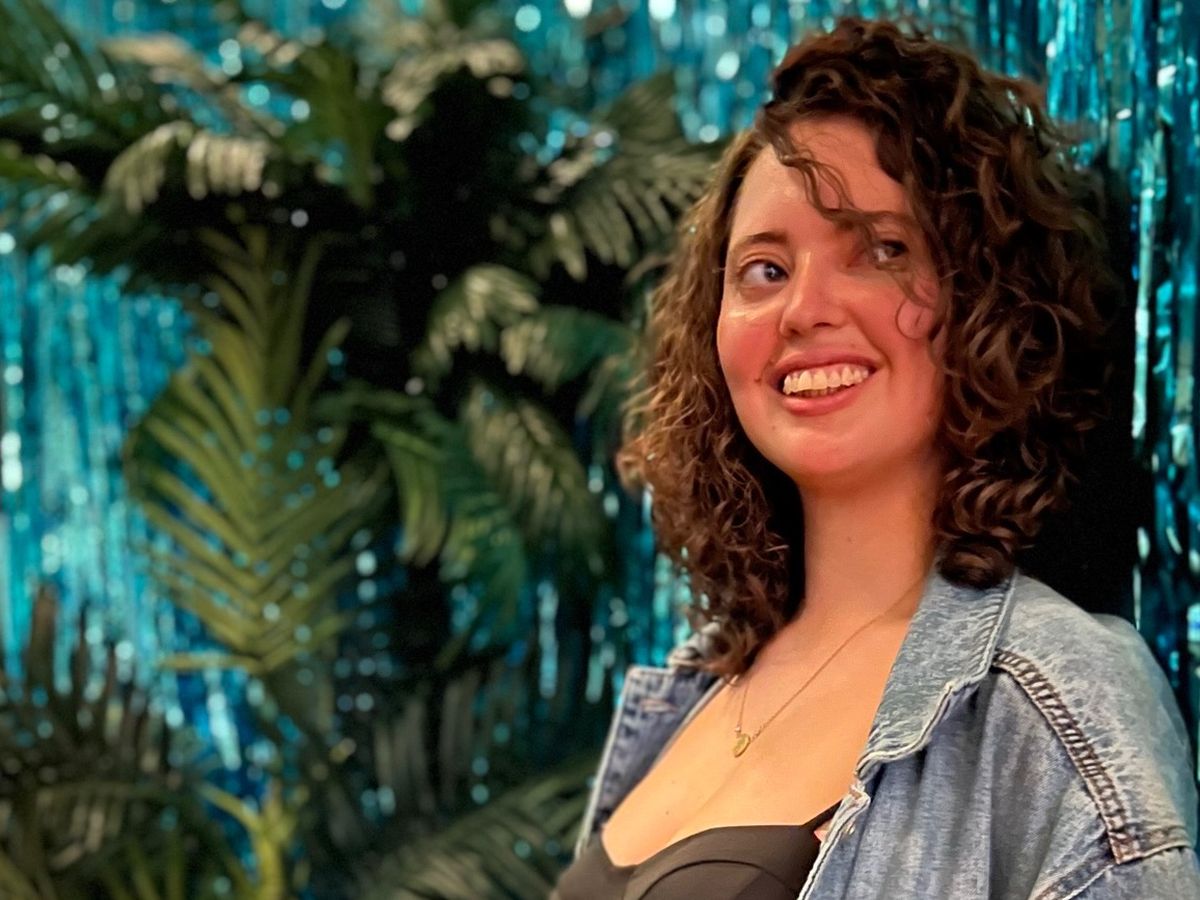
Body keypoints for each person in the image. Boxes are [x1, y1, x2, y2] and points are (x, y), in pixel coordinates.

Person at [552, 16, 1200, 900]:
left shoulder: (1055, 695)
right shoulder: (690, 687)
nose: (804, 310)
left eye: (882, 250)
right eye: (765, 270)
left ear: (988, 306)